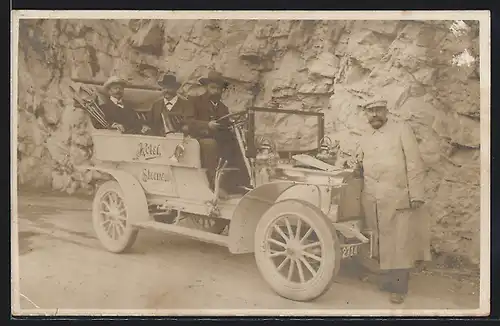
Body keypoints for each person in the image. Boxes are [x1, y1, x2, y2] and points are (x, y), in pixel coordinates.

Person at [352, 98, 431, 305]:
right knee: (380, 240)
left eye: (378, 110)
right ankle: (386, 280)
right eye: (370, 111)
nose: (374, 115)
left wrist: (416, 194)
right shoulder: (365, 136)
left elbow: (415, 163)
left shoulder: (401, 129)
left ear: (386, 111)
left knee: (400, 242)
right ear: (366, 114)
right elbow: (360, 162)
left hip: (398, 195)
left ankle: (399, 288)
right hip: (372, 196)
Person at [184, 71, 251, 195]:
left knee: (240, 145)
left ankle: (240, 183)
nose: (216, 91)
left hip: (219, 138)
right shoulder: (194, 101)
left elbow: (225, 124)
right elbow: (188, 121)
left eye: (219, 89)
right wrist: (207, 125)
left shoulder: (223, 107)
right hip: (199, 138)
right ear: (206, 87)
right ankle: (213, 184)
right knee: (210, 144)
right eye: (213, 88)